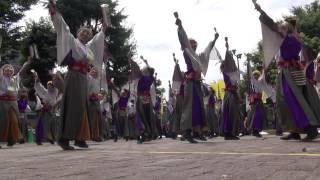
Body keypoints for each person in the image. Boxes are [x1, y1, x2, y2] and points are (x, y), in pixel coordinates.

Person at [253, 1, 320, 141]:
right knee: (285, 100)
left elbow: (271, 26)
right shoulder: (291, 39)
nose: (279, 30)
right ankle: (294, 130)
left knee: (294, 99)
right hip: (287, 72)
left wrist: (261, 12)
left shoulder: (289, 39)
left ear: (287, 30)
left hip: (291, 73)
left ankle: (310, 128)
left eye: (282, 28)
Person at [49, 1, 107, 150]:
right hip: (74, 75)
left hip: (83, 78)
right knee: (73, 105)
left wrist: (104, 27)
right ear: (78, 33)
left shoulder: (88, 48)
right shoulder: (73, 42)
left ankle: (80, 137)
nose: (85, 34)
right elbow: (63, 28)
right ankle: (64, 138)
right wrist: (54, 12)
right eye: (83, 32)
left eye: (88, 33)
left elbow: (99, 38)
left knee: (82, 106)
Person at [174, 12, 219, 143]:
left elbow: (207, 50)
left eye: (195, 44)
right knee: (189, 106)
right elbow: (183, 39)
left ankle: (197, 132)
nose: (193, 45)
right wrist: (180, 25)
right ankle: (187, 132)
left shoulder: (198, 56)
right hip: (189, 83)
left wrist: (214, 39)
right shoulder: (187, 51)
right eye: (191, 43)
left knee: (199, 106)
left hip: (197, 83)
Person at [0, 60, 30, 148]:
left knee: (14, 121)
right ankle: (8, 139)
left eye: (10, 70)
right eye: (6, 69)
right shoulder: (1, 78)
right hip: (3, 102)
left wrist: (27, 63)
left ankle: (13, 138)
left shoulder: (14, 79)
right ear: (3, 71)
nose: (9, 71)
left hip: (13, 102)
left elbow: (21, 72)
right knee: (3, 122)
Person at [220, 39, 241, 140]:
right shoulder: (226, 71)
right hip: (229, 94)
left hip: (233, 94)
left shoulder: (233, 73)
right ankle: (229, 133)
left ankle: (231, 132)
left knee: (233, 113)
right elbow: (228, 59)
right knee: (230, 113)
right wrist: (227, 48)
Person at [33, 74, 60, 145]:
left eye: (51, 86)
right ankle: (39, 139)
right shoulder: (45, 92)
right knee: (40, 124)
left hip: (51, 110)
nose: (50, 87)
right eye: (48, 85)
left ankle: (51, 138)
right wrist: (37, 81)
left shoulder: (55, 92)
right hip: (44, 110)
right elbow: (39, 87)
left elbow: (57, 86)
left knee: (51, 124)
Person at [246, 70, 267, 138]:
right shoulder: (253, 82)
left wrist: (264, 70)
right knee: (255, 115)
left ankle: (256, 130)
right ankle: (254, 131)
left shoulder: (260, 82)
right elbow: (251, 75)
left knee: (258, 115)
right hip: (255, 101)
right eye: (254, 74)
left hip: (259, 100)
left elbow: (263, 77)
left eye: (257, 74)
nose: (256, 76)